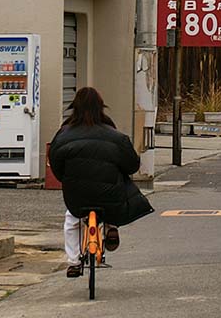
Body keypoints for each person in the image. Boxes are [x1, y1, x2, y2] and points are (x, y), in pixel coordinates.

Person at [49, 87, 153, 278]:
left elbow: (55, 163)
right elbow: (131, 165)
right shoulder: (114, 134)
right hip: (109, 195)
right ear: (100, 107)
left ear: (75, 107)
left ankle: (73, 263)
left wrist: (67, 179)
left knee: (72, 221)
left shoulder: (64, 134)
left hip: (77, 195)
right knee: (118, 188)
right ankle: (112, 225)